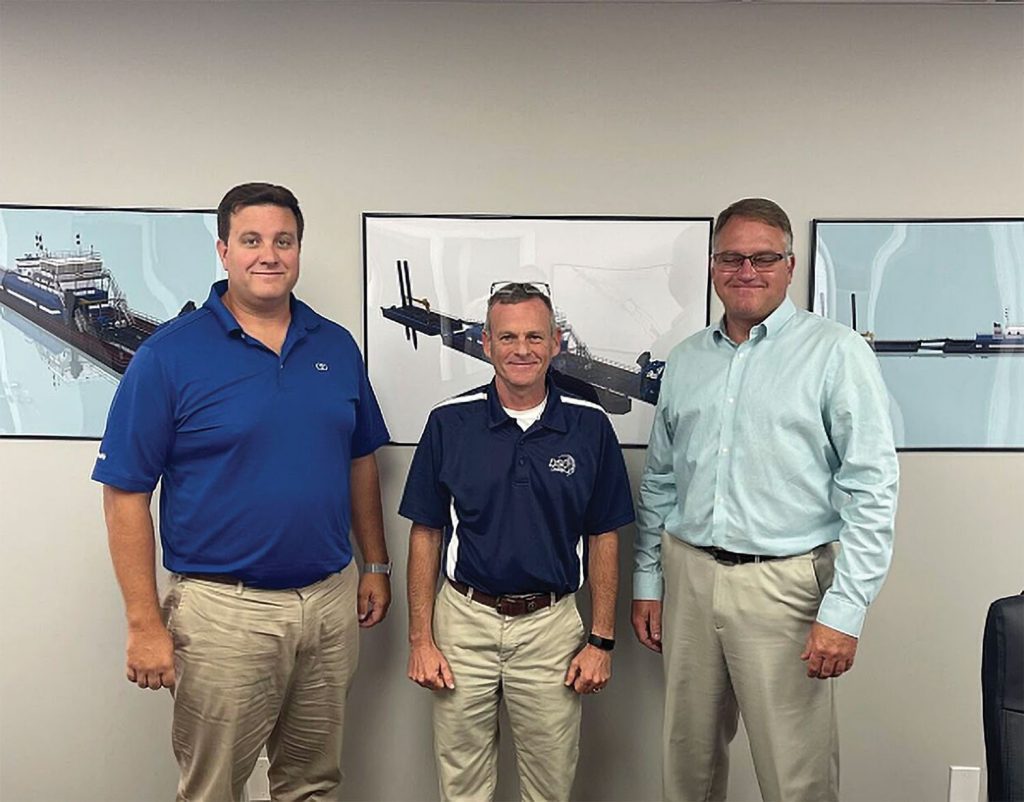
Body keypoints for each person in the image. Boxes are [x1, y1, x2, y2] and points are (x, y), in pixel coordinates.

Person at [92, 182, 392, 802]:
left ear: (299, 250)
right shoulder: (168, 357)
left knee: (312, 783)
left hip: (329, 603)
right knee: (214, 789)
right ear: (224, 251)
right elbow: (125, 494)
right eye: (251, 240)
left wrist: (375, 563)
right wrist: (144, 621)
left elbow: (360, 460)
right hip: (225, 612)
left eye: (283, 241)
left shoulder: (334, 346)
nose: (269, 254)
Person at [632, 198, 899, 802]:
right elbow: (661, 481)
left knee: (794, 777)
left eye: (763, 258)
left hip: (786, 588)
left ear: (790, 264)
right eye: (731, 257)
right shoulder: (687, 360)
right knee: (687, 765)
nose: (746, 270)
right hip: (689, 578)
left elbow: (872, 491)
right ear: (712, 266)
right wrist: (648, 580)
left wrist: (844, 610)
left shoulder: (835, 353)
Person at [401, 281, 634, 802]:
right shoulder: (448, 422)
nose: (521, 350)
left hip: (551, 627)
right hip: (464, 621)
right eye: (507, 337)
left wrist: (601, 641)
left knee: (550, 785)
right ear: (486, 343)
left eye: (534, 336)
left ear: (556, 343)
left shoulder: (590, 426)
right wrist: (421, 639)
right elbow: (426, 533)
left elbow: (604, 536)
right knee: (462, 784)